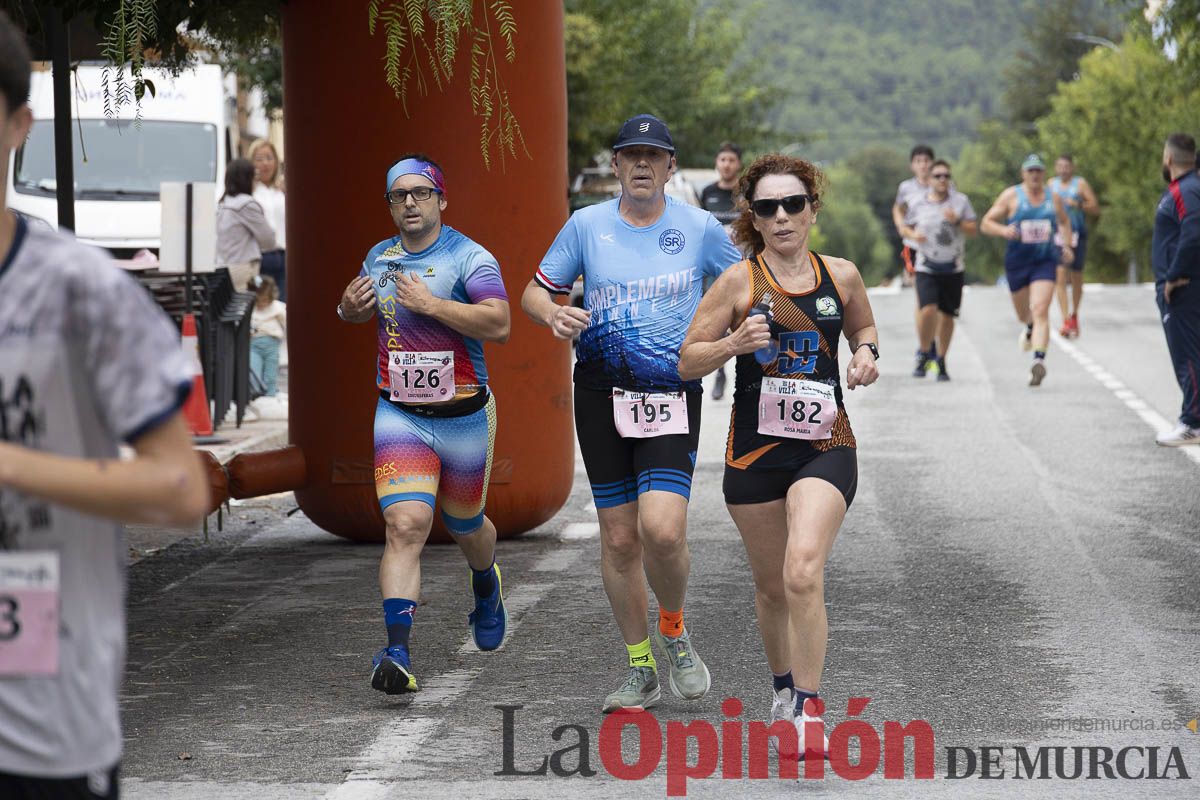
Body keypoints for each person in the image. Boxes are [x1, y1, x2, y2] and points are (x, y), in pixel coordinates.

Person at [0, 11, 209, 797]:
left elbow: (182, 490)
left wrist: (14, 465)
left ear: (19, 125)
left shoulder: (77, 290)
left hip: (39, 727)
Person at [522, 114, 741, 713]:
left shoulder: (699, 229)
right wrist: (552, 314)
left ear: (671, 168)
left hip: (671, 393)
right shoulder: (586, 226)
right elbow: (534, 290)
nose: (642, 165)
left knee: (662, 531)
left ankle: (674, 627)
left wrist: (734, 336)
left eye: (654, 155)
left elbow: (747, 286)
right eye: (630, 155)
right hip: (599, 395)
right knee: (619, 538)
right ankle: (640, 665)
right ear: (615, 165)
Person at [678, 153, 880, 759]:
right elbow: (688, 359)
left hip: (824, 445)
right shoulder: (739, 282)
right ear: (755, 219)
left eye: (794, 203)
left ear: (813, 209)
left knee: (802, 569)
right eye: (768, 207)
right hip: (755, 453)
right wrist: (734, 342)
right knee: (771, 587)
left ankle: (812, 711)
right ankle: (783, 687)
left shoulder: (840, 276)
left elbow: (863, 330)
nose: (783, 216)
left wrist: (866, 355)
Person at [337, 154, 511, 694]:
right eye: (398, 196)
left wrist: (434, 305)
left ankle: (485, 583)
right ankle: (397, 651)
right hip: (401, 413)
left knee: (465, 527)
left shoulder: (470, 257)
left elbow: (499, 323)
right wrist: (348, 308)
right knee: (405, 525)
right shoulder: (378, 257)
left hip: (463, 415)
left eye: (419, 193)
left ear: (441, 199)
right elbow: (361, 313)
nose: (409, 203)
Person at [981, 154, 1073, 387]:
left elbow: (1064, 221)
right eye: (1030, 171)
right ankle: (1029, 327)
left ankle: (1038, 360)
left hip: (1045, 261)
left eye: (1038, 171)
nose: (1034, 175)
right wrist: (1004, 231)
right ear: (1023, 174)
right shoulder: (1012, 196)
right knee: (1025, 314)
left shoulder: (1053, 198)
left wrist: (1067, 244)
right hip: (1017, 263)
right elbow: (986, 222)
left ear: (1043, 174)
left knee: (1041, 309)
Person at [898, 159, 977, 381]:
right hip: (926, 265)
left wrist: (958, 221)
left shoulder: (960, 202)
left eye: (946, 176)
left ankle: (942, 359)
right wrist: (913, 236)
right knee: (928, 309)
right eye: (938, 176)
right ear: (930, 180)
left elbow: (973, 229)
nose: (942, 179)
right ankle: (925, 351)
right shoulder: (919, 203)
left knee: (948, 315)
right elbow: (905, 226)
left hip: (953, 267)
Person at [1151, 133, 1200, 446]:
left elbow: (1193, 230)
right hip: (1185, 283)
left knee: (1187, 356)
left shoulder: (1186, 190)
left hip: (1183, 287)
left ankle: (1192, 422)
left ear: (1168, 159)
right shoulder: (1186, 189)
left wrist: (1174, 275)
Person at [699, 142, 744, 401]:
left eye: (731, 160)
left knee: (743, 318)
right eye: (722, 159)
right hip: (713, 269)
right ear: (717, 163)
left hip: (742, 265)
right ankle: (719, 371)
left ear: (738, 164)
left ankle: (745, 371)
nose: (726, 164)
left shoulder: (745, 194)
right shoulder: (707, 193)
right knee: (717, 320)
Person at [1048, 154, 1100, 337]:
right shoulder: (1050, 185)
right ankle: (1065, 320)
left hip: (1078, 233)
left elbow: (1095, 207)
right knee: (1060, 276)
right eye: (1060, 166)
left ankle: (1074, 314)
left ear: (1072, 167)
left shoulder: (1080, 184)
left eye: (1066, 166)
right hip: (1058, 235)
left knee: (1076, 276)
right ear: (1055, 167)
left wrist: (1078, 204)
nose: (1063, 169)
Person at [216, 158, 276, 291]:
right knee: (248, 307)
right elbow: (269, 240)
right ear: (246, 179)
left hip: (222, 269)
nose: (256, 181)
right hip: (244, 270)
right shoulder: (247, 205)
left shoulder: (223, 204)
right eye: (254, 177)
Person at [249, 139, 288, 301]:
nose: (265, 164)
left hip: (284, 256)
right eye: (259, 159)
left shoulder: (281, 191)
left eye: (269, 158)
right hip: (260, 258)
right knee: (262, 304)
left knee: (284, 304)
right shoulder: (250, 192)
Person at [892, 145, 935, 289]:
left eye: (926, 160)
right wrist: (901, 227)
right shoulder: (906, 187)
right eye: (918, 161)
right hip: (914, 243)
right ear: (912, 165)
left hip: (936, 243)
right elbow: (898, 208)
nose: (923, 165)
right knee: (920, 286)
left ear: (932, 163)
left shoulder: (943, 184)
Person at [249, 275, 287, 399]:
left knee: (271, 373)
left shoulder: (277, 307)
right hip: (254, 344)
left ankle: (270, 394)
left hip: (272, 344)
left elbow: (286, 321)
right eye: (260, 300)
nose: (262, 303)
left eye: (265, 300)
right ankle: (256, 393)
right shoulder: (250, 308)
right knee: (254, 371)